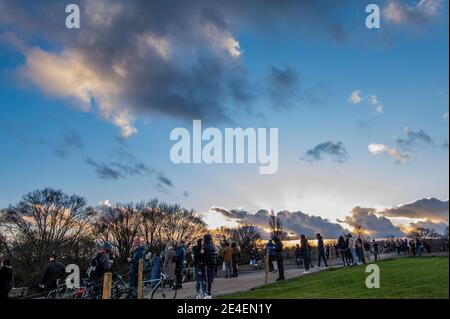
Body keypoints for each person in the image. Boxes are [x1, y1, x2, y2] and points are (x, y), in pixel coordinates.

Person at [203, 234, 217, 299]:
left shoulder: (205, 246)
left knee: (207, 279)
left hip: (207, 263)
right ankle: (208, 292)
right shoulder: (213, 246)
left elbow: (201, 254)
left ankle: (208, 293)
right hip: (212, 263)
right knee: (210, 278)